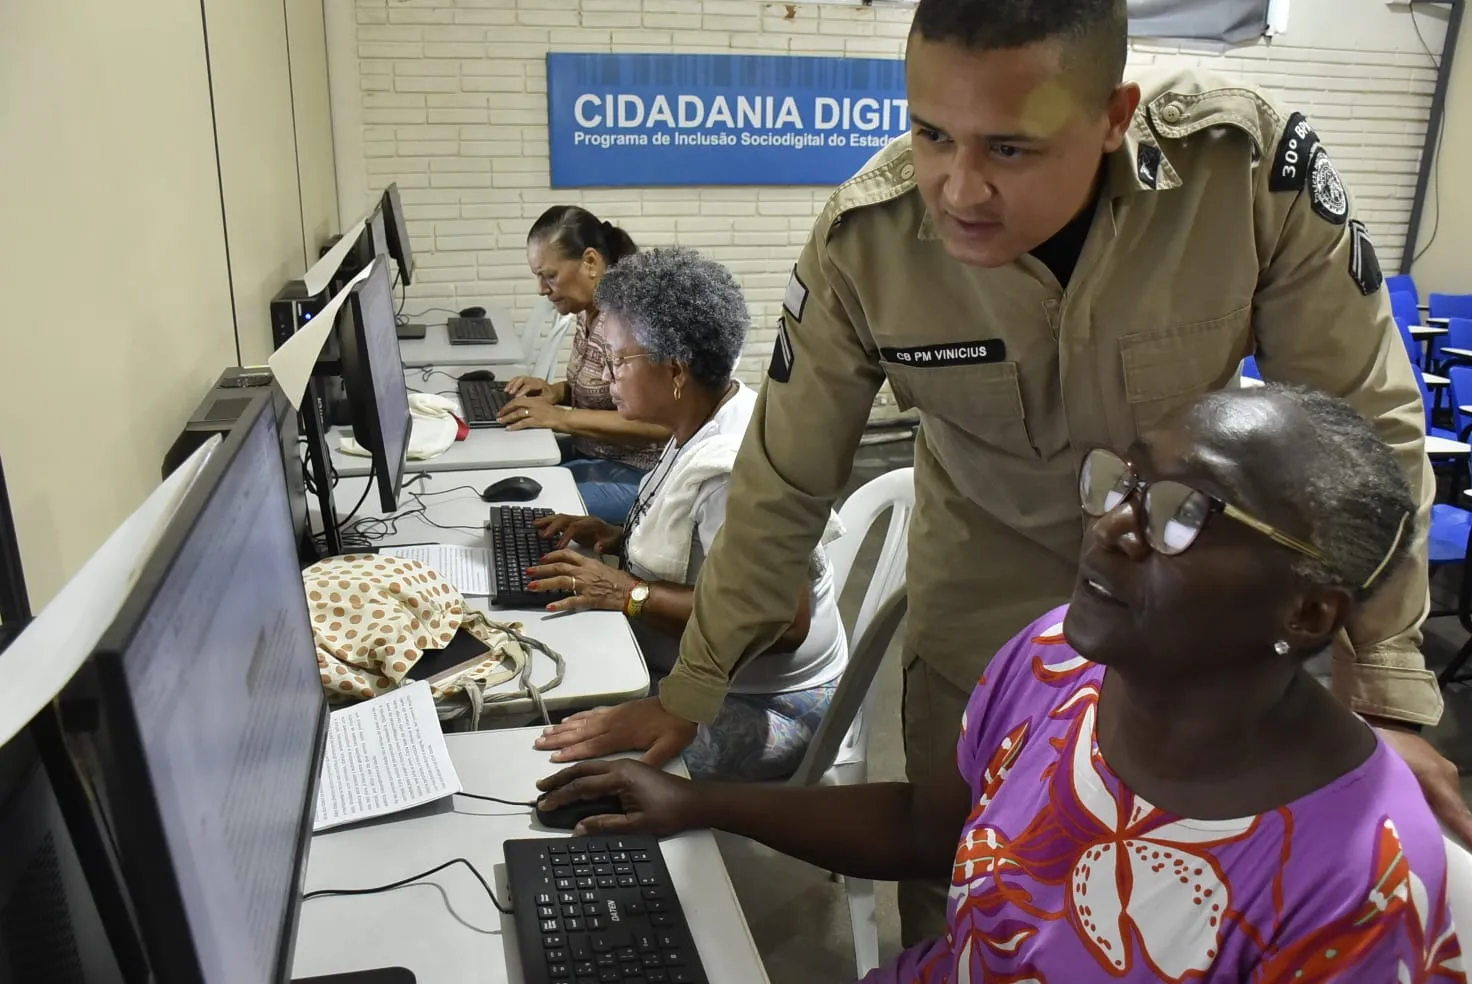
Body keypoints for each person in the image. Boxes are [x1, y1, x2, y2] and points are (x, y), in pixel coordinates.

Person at [530, 0, 1472, 943]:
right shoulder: (869, 237)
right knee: (969, 877)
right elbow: (782, 478)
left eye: (1010, 149)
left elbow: (1366, 434)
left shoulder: (1244, 172)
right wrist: (688, 695)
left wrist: (1388, 698)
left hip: (1189, 589)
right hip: (985, 589)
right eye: (932, 133)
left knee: (1209, 886)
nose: (958, 190)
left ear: (1114, 116)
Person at [538, 385, 1465, 983]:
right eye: (1127, 483)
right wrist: (696, 802)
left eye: (1186, 515)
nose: (1111, 529)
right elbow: (923, 832)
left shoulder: (1359, 889)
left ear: (1308, 614)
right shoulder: (1055, 659)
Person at [524, 247, 848, 780]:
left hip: (768, 703)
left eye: (619, 359)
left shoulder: (734, 468)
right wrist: (614, 535)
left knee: (575, 761)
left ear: (675, 368)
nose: (607, 378)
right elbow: (696, 545)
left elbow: (783, 623)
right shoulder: (703, 414)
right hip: (707, 671)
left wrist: (630, 593)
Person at [498, 205, 667, 524]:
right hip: (595, 453)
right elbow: (602, 391)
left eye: (550, 276)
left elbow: (658, 425)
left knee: (528, 510)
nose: (541, 289)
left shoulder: (628, 325)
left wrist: (562, 417)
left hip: (642, 475)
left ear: (590, 262)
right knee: (507, 467)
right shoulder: (588, 311)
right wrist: (554, 393)